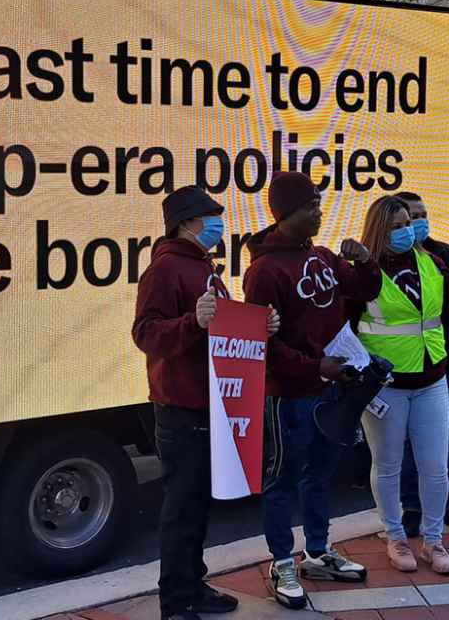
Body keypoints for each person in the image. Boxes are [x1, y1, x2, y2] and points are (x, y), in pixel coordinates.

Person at [132, 185, 280, 620]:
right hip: (181, 406)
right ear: (189, 222)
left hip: (211, 402)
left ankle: (193, 586)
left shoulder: (203, 266)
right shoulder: (165, 271)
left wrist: (260, 325)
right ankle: (176, 603)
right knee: (181, 510)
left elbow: (223, 326)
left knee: (197, 506)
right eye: (212, 216)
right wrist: (191, 322)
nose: (219, 223)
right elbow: (146, 334)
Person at [243, 171, 381, 610]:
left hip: (331, 388)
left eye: (319, 204)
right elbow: (261, 344)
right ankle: (282, 561)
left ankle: (317, 552)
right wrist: (313, 366)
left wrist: (365, 261)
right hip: (291, 395)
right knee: (281, 480)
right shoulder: (264, 272)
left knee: (320, 473)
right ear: (286, 214)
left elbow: (365, 288)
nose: (319, 213)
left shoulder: (319, 256)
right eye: (311, 207)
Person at [351, 195, 449, 574]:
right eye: (397, 225)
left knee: (435, 466)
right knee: (388, 464)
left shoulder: (433, 262)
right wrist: (362, 375)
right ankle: (395, 536)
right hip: (387, 385)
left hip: (432, 378)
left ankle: (433, 539)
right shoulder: (364, 272)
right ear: (380, 229)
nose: (407, 230)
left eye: (409, 222)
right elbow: (346, 327)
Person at [393, 191, 449, 539]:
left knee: (439, 444)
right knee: (405, 448)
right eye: (412, 217)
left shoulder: (441, 255)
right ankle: (411, 509)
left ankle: (440, 510)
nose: (419, 223)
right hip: (404, 369)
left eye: (423, 215)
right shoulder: (386, 262)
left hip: (440, 359)